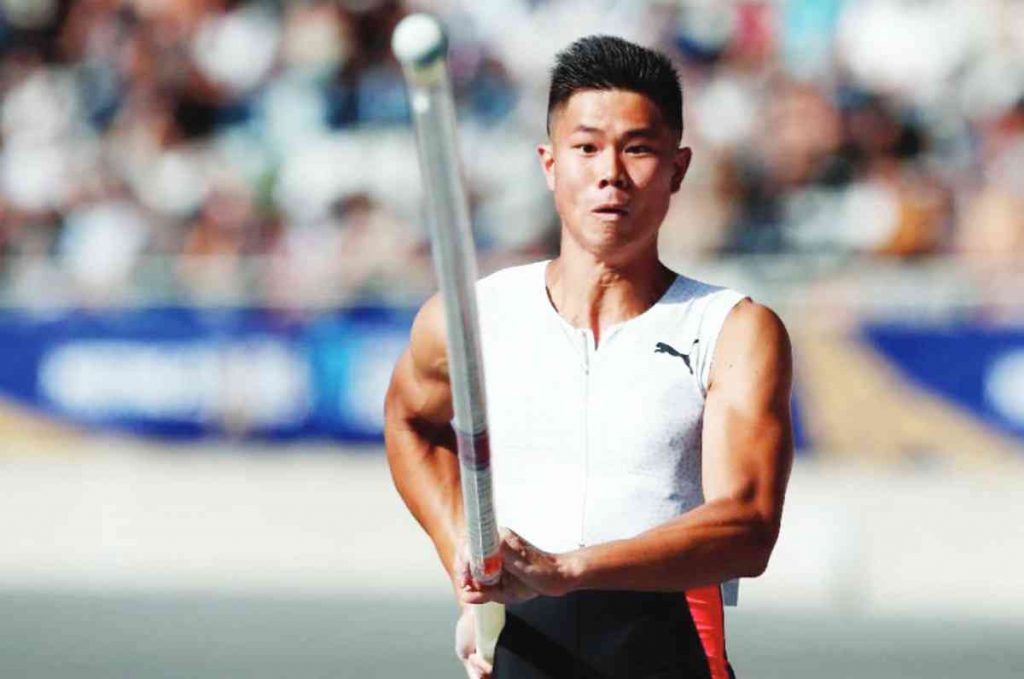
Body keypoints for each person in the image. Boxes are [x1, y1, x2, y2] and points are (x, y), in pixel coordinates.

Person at [384, 35, 793, 679]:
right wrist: (463, 548)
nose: (611, 172)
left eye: (637, 148)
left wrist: (567, 571)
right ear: (550, 164)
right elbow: (411, 423)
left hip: (667, 651)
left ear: (678, 169)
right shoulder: (472, 318)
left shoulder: (730, 330)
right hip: (522, 653)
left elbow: (746, 527)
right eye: (587, 147)